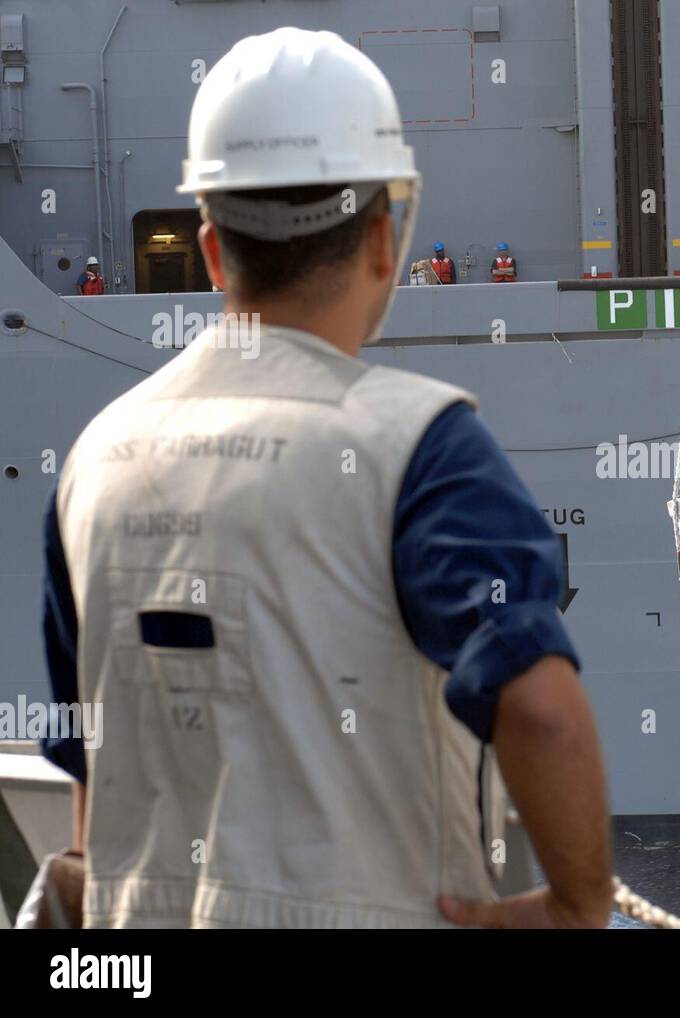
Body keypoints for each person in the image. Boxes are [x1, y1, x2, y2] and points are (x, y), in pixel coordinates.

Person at [39, 27, 612, 930]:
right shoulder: (424, 445)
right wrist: (581, 905)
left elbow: (94, 776)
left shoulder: (92, 464)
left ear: (213, 249)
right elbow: (541, 709)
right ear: (387, 238)